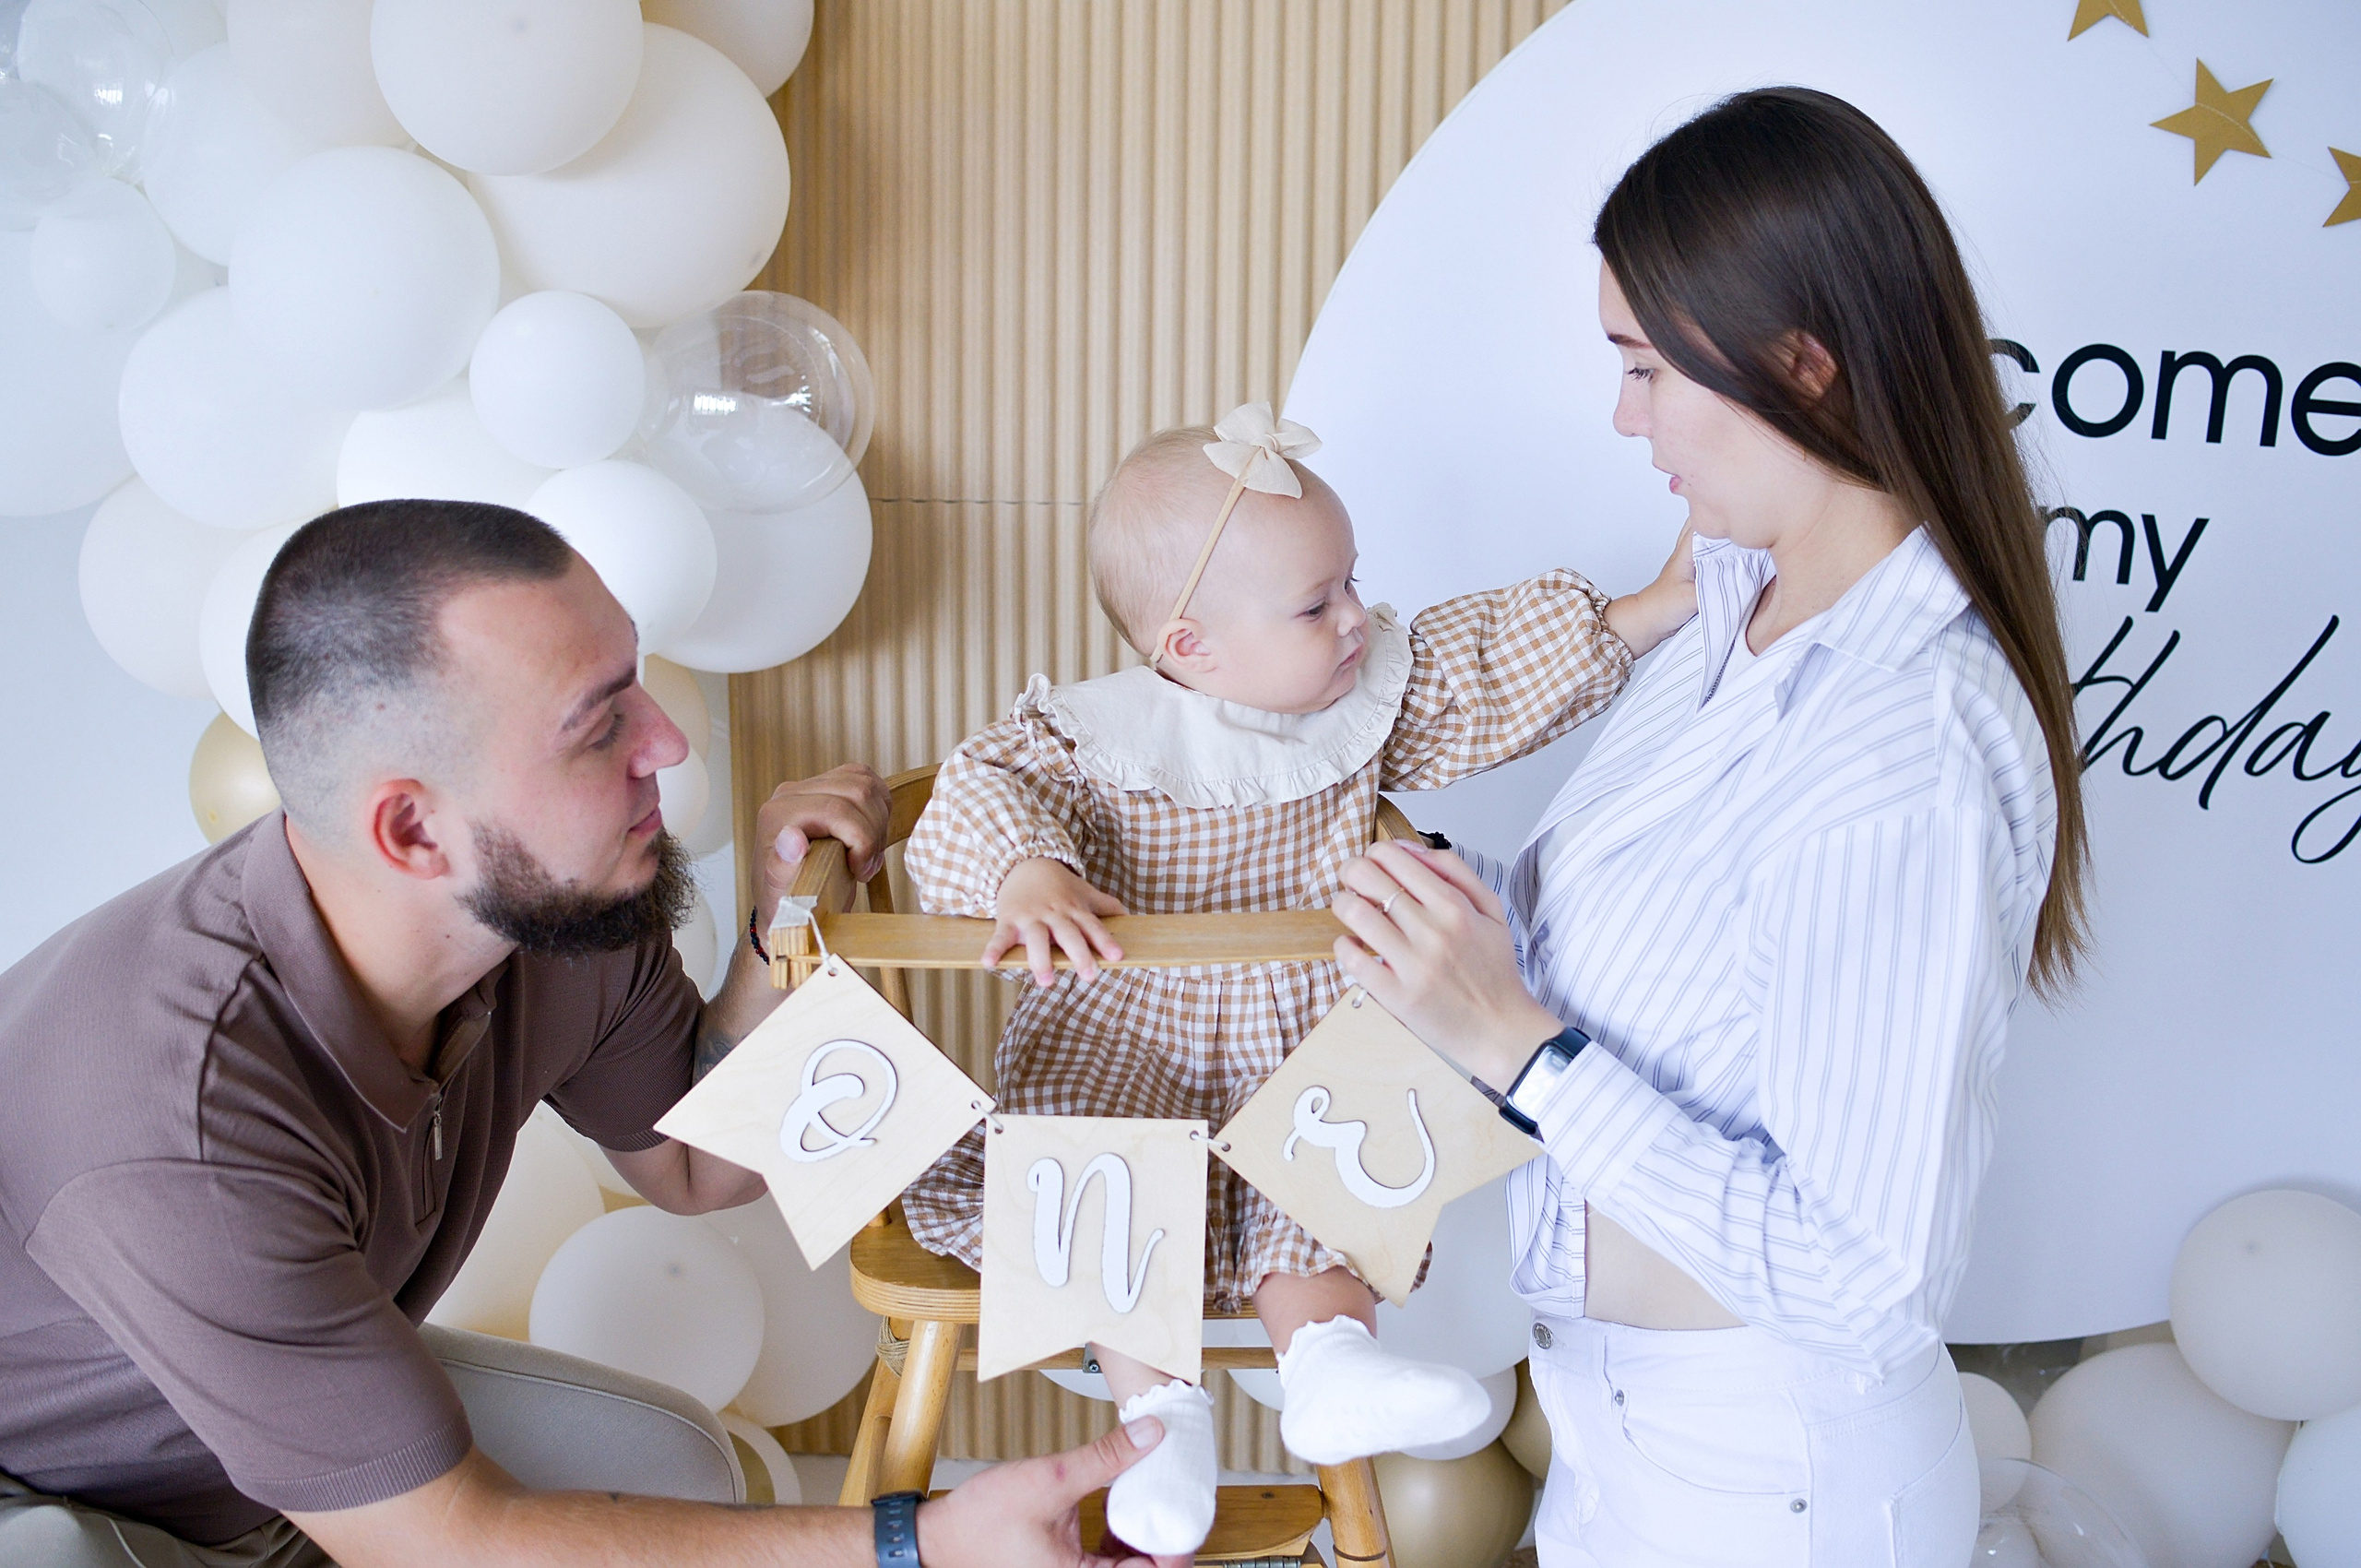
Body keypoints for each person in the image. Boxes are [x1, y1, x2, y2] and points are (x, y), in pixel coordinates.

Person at [0, 500, 1186, 1568]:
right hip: (71, 1492)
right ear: (414, 831)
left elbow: (695, 1161)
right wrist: (913, 1544)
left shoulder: (554, 913)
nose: (666, 744)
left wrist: (780, 930)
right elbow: (442, 1540)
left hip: (265, 1422)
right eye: (596, 722)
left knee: (675, 1463)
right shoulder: (175, 1125)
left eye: (638, 682)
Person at [1326, 88, 2090, 1567]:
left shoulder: (1898, 744)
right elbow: (1641, 950)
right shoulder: (1733, 616)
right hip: (1617, 1433)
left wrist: (1517, 1050)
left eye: (1642, 369)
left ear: (1797, 365)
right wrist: (1429, 889)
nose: (1624, 419)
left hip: (1770, 1479)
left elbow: (1867, 1276)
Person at [896, 403, 1697, 1554]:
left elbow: (1483, 673)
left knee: (1333, 1133)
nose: (1356, 619)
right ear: (1189, 647)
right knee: (1102, 1158)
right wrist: (1029, 872)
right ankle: (1157, 1415)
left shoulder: (1356, 712)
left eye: (1352, 583)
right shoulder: (1096, 736)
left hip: (1298, 1023)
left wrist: (1647, 611)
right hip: (1128, 1023)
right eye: (1316, 604)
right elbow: (982, 786)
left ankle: (1329, 1358)